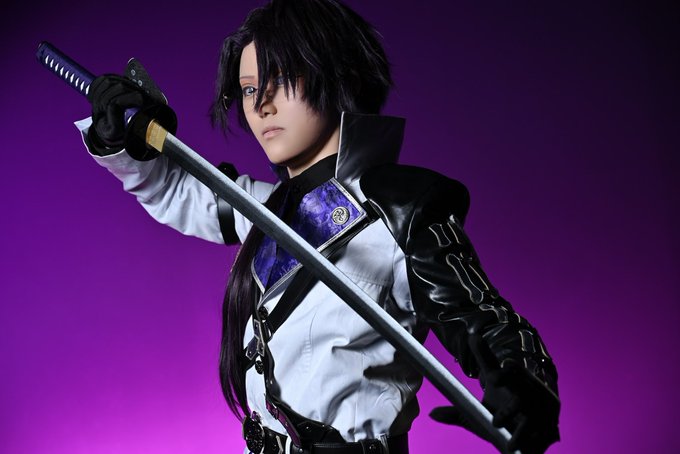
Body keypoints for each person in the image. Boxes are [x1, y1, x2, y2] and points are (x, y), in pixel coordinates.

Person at [77, 0, 560, 452]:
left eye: (282, 78)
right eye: (249, 88)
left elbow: (485, 320)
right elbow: (175, 191)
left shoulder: (399, 211)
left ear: (338, 74)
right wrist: (117, 137)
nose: (261, 104)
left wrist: (525, 386)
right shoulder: (266, 210)